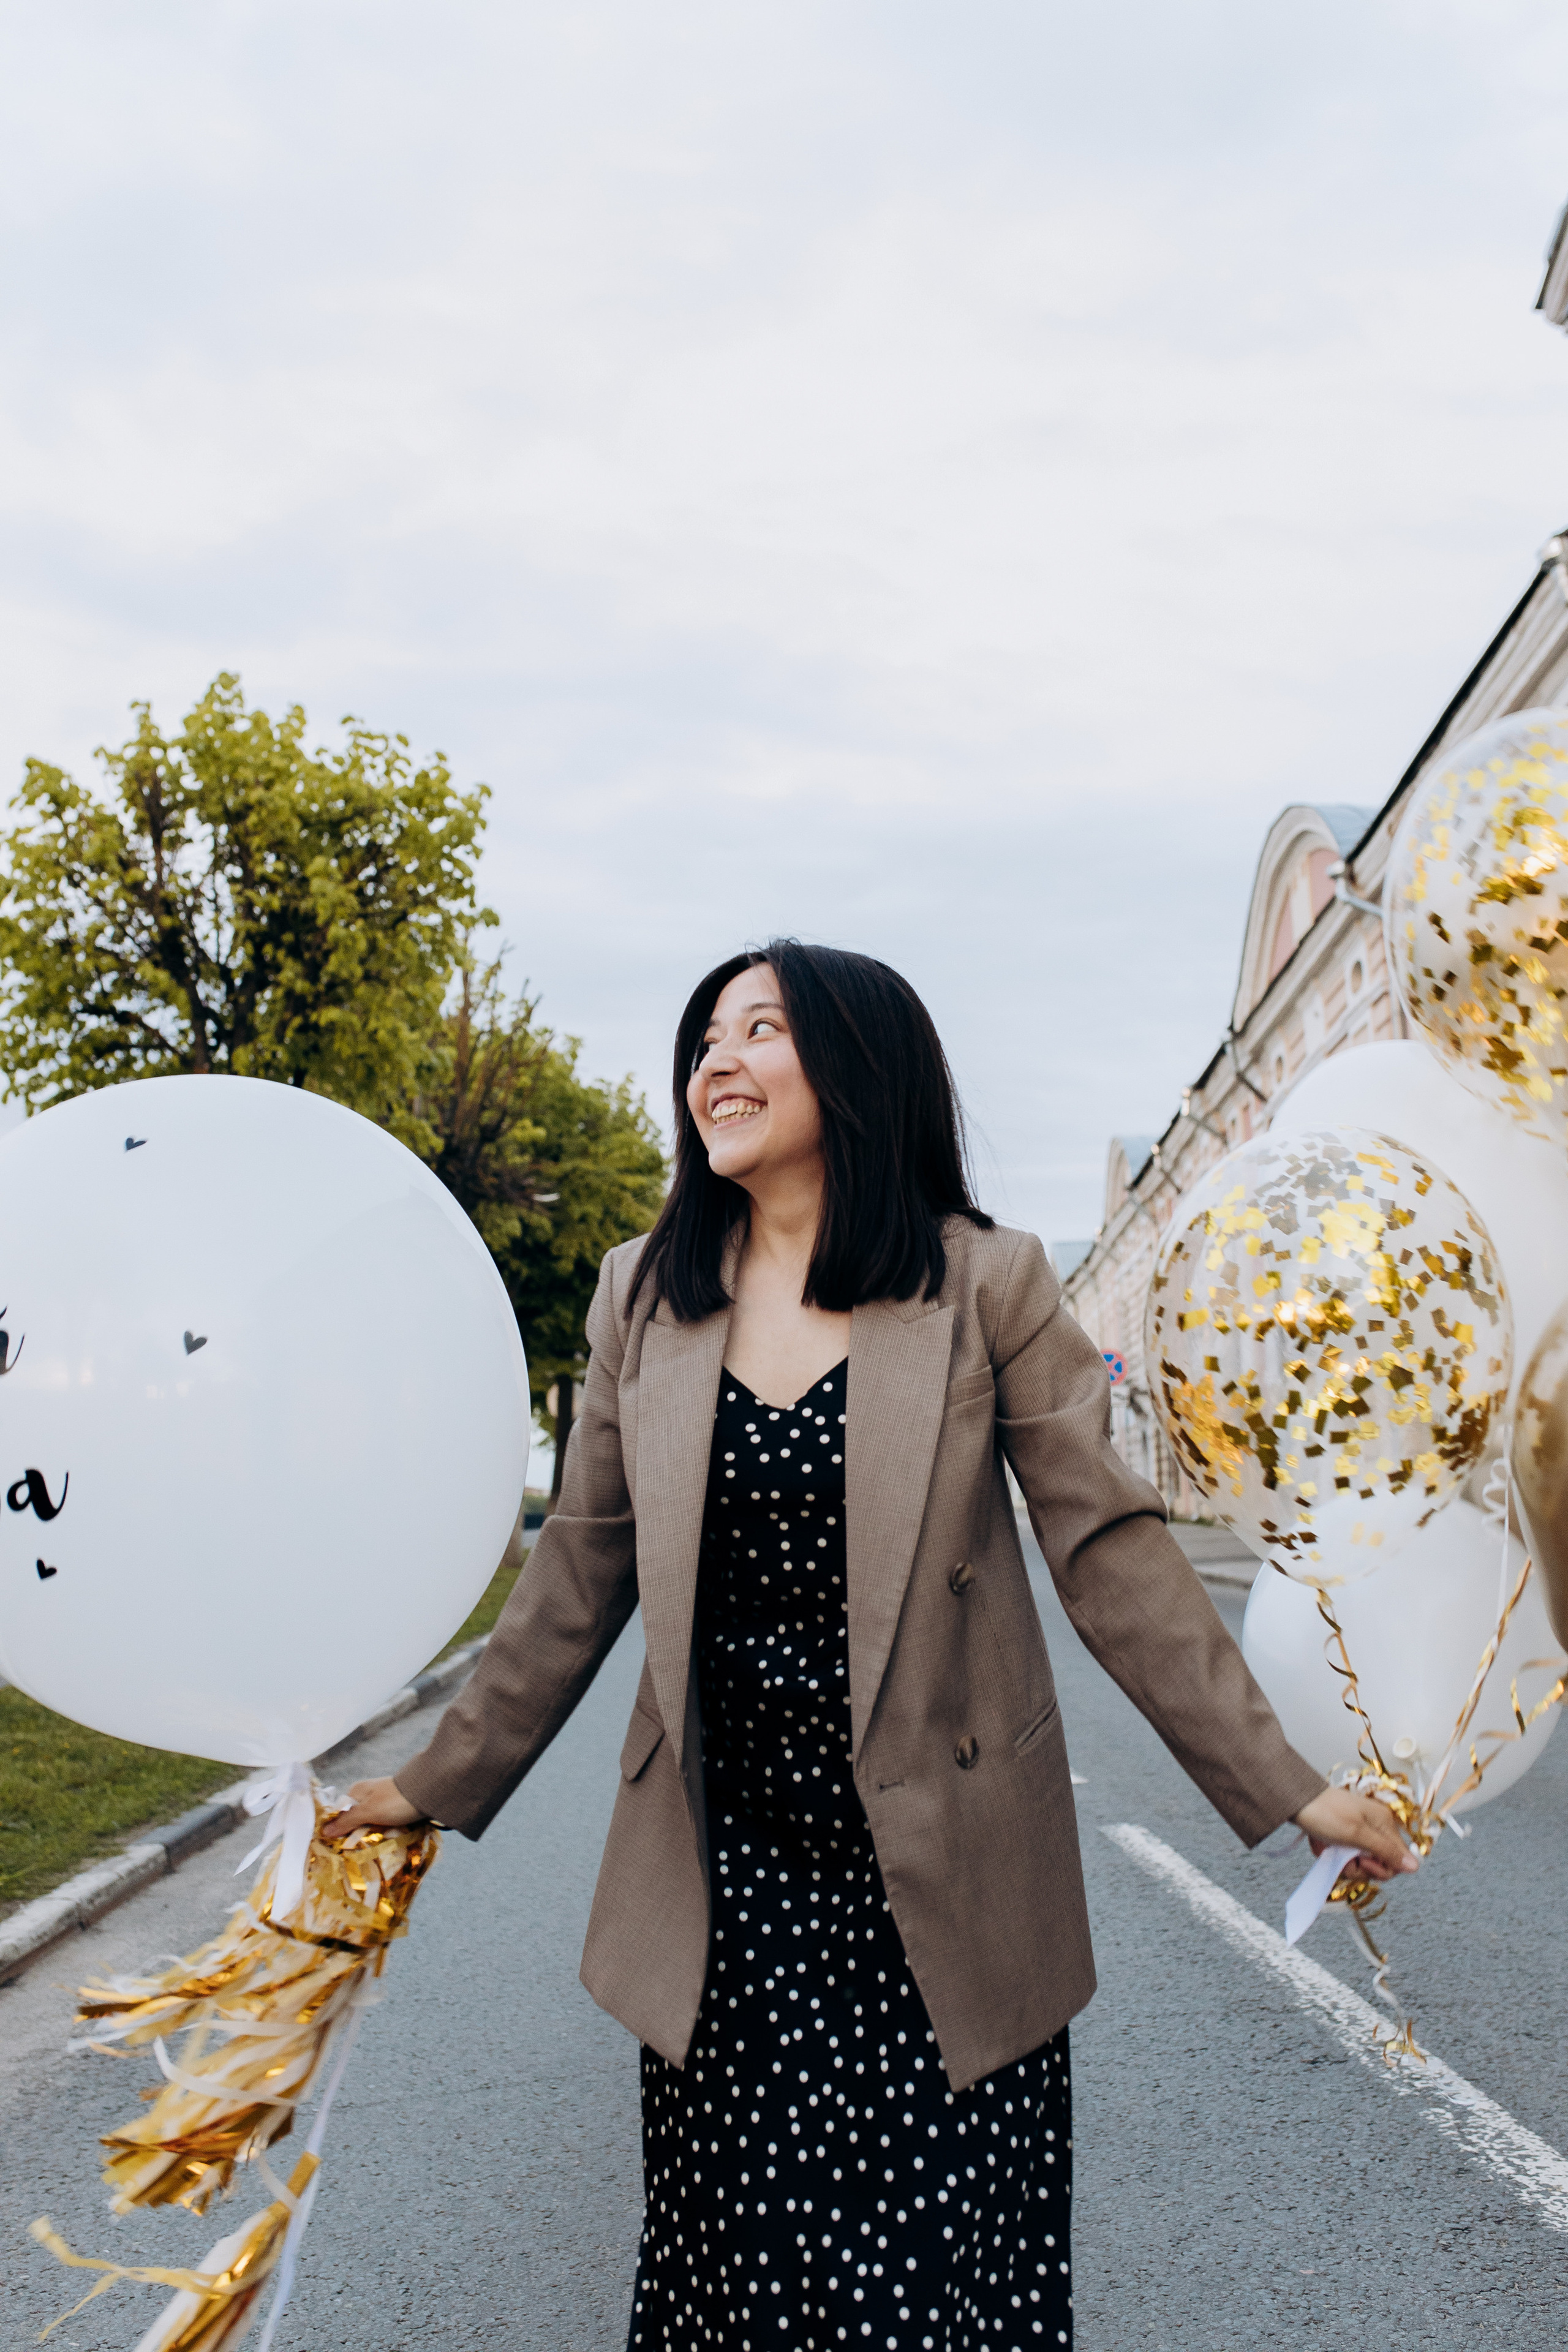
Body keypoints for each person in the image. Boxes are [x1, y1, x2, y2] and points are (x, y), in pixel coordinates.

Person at [325, 940, 1412, 2351]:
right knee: (750, 2291)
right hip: (732, 1897)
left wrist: (1284, 1786)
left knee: (930, 2299)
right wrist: (427, 1784)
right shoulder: (640, 1299)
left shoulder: (986, 1284)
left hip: (941, 1884)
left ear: (858, 1066)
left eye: (760, 1030)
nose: (716, 1059)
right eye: (705, 1036)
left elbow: (1104, 1549)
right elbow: (577, 1575)